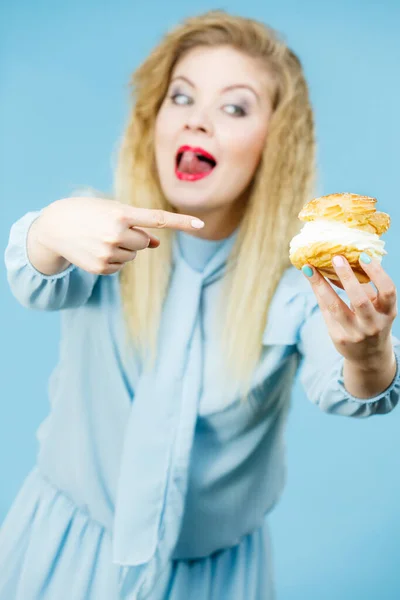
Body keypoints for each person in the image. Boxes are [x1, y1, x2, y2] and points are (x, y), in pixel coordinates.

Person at [1, 9, 399, 600]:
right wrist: (52, 225)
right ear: (154, 121)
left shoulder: (298, 287)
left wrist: (369, 353)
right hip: (62, 551)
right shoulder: (100, 233)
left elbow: (350, 387)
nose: (199, 122)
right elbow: (35, 275)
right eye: (181, 98)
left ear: (273, 147)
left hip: (213, 580)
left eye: (234, 108)